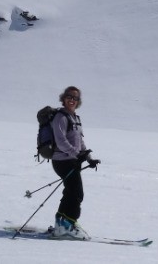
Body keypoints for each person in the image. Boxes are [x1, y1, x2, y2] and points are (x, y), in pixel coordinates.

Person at [49, 86, 99, 239]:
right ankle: (67, 226)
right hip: (62, 161)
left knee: (71, 192)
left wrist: (88, 158)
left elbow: (79, 141)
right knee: (77, 193)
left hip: (71, 160)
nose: (72, 100)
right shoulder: (60, 117)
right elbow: (61, 141)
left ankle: (61, 223)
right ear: (63, 98)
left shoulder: (75, 118)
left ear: (78, 102)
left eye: (75, 98)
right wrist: (77, 154)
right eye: (69, 96)